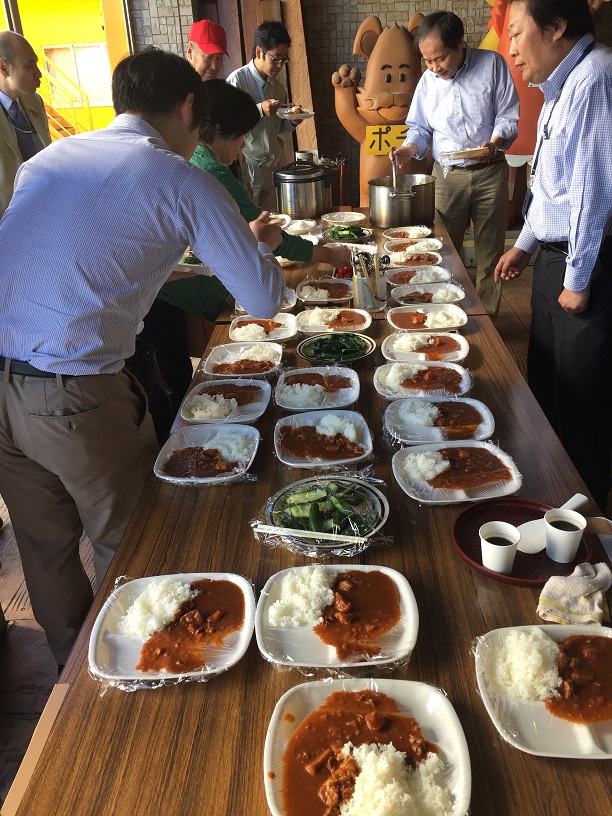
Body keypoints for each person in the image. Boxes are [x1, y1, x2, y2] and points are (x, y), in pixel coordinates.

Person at [0, 48, 284, 667]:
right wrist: (256, 248)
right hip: (76, 396)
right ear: (188, 106)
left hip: (5, 387)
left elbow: (107, 265)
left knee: (45, 551)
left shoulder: (48, 158)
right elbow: (264, 297)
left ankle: (69, 680)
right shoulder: (177, 176)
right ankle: (131, 682)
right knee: (128, 543)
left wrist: (221, 254)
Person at [146, 79, 350, 418]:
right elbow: (267, 236)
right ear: (218, 130)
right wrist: (328, 254)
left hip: (166, 288)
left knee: (173, 376)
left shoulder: (198, 160)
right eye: (240, 136)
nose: (243, 146)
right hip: (170, 292)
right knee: (175, 382)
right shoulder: (210, 171)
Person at [495, 0, 612, 510]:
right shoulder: (560, 86)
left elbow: (594, 188)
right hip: (554, 257)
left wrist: (579, 278)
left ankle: (583, 525)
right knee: (544, 382)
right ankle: (545, 500)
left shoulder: (595, 79)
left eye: (517, 34)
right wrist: (525, 243)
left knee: (581, 403)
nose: (511, 49)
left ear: (557, 26)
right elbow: (552, 183)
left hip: (584, 264)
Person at [392, 11, 519, 316]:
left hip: (490, 172)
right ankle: (444, 315)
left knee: (490, 254)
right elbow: (420, 129)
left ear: (461, 44)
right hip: (447, 176)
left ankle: (487, 319)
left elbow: (508, 116)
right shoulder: (428, 82)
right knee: (443, 251)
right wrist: (409, 150)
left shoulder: (492, 65)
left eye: (440, 58)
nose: (435, 68)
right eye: (428, 61)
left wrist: (495, 143)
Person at [227, 20, 297, 211]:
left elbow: (278, 128)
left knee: (272, 222)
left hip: (273, 166)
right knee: (249, 222)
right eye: (276, 58)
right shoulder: (237, 81)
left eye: (284, 59)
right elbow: (230, 124)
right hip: (248, 166)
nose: (280, 65)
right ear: (259, 52)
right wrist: (259, 110)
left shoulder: (277, 87)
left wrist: (293, 122)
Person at [0, 30, 50, 216]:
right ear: (3, 68)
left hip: (45, 206)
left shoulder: (34, 101)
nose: (39, 74)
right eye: (30, 66)